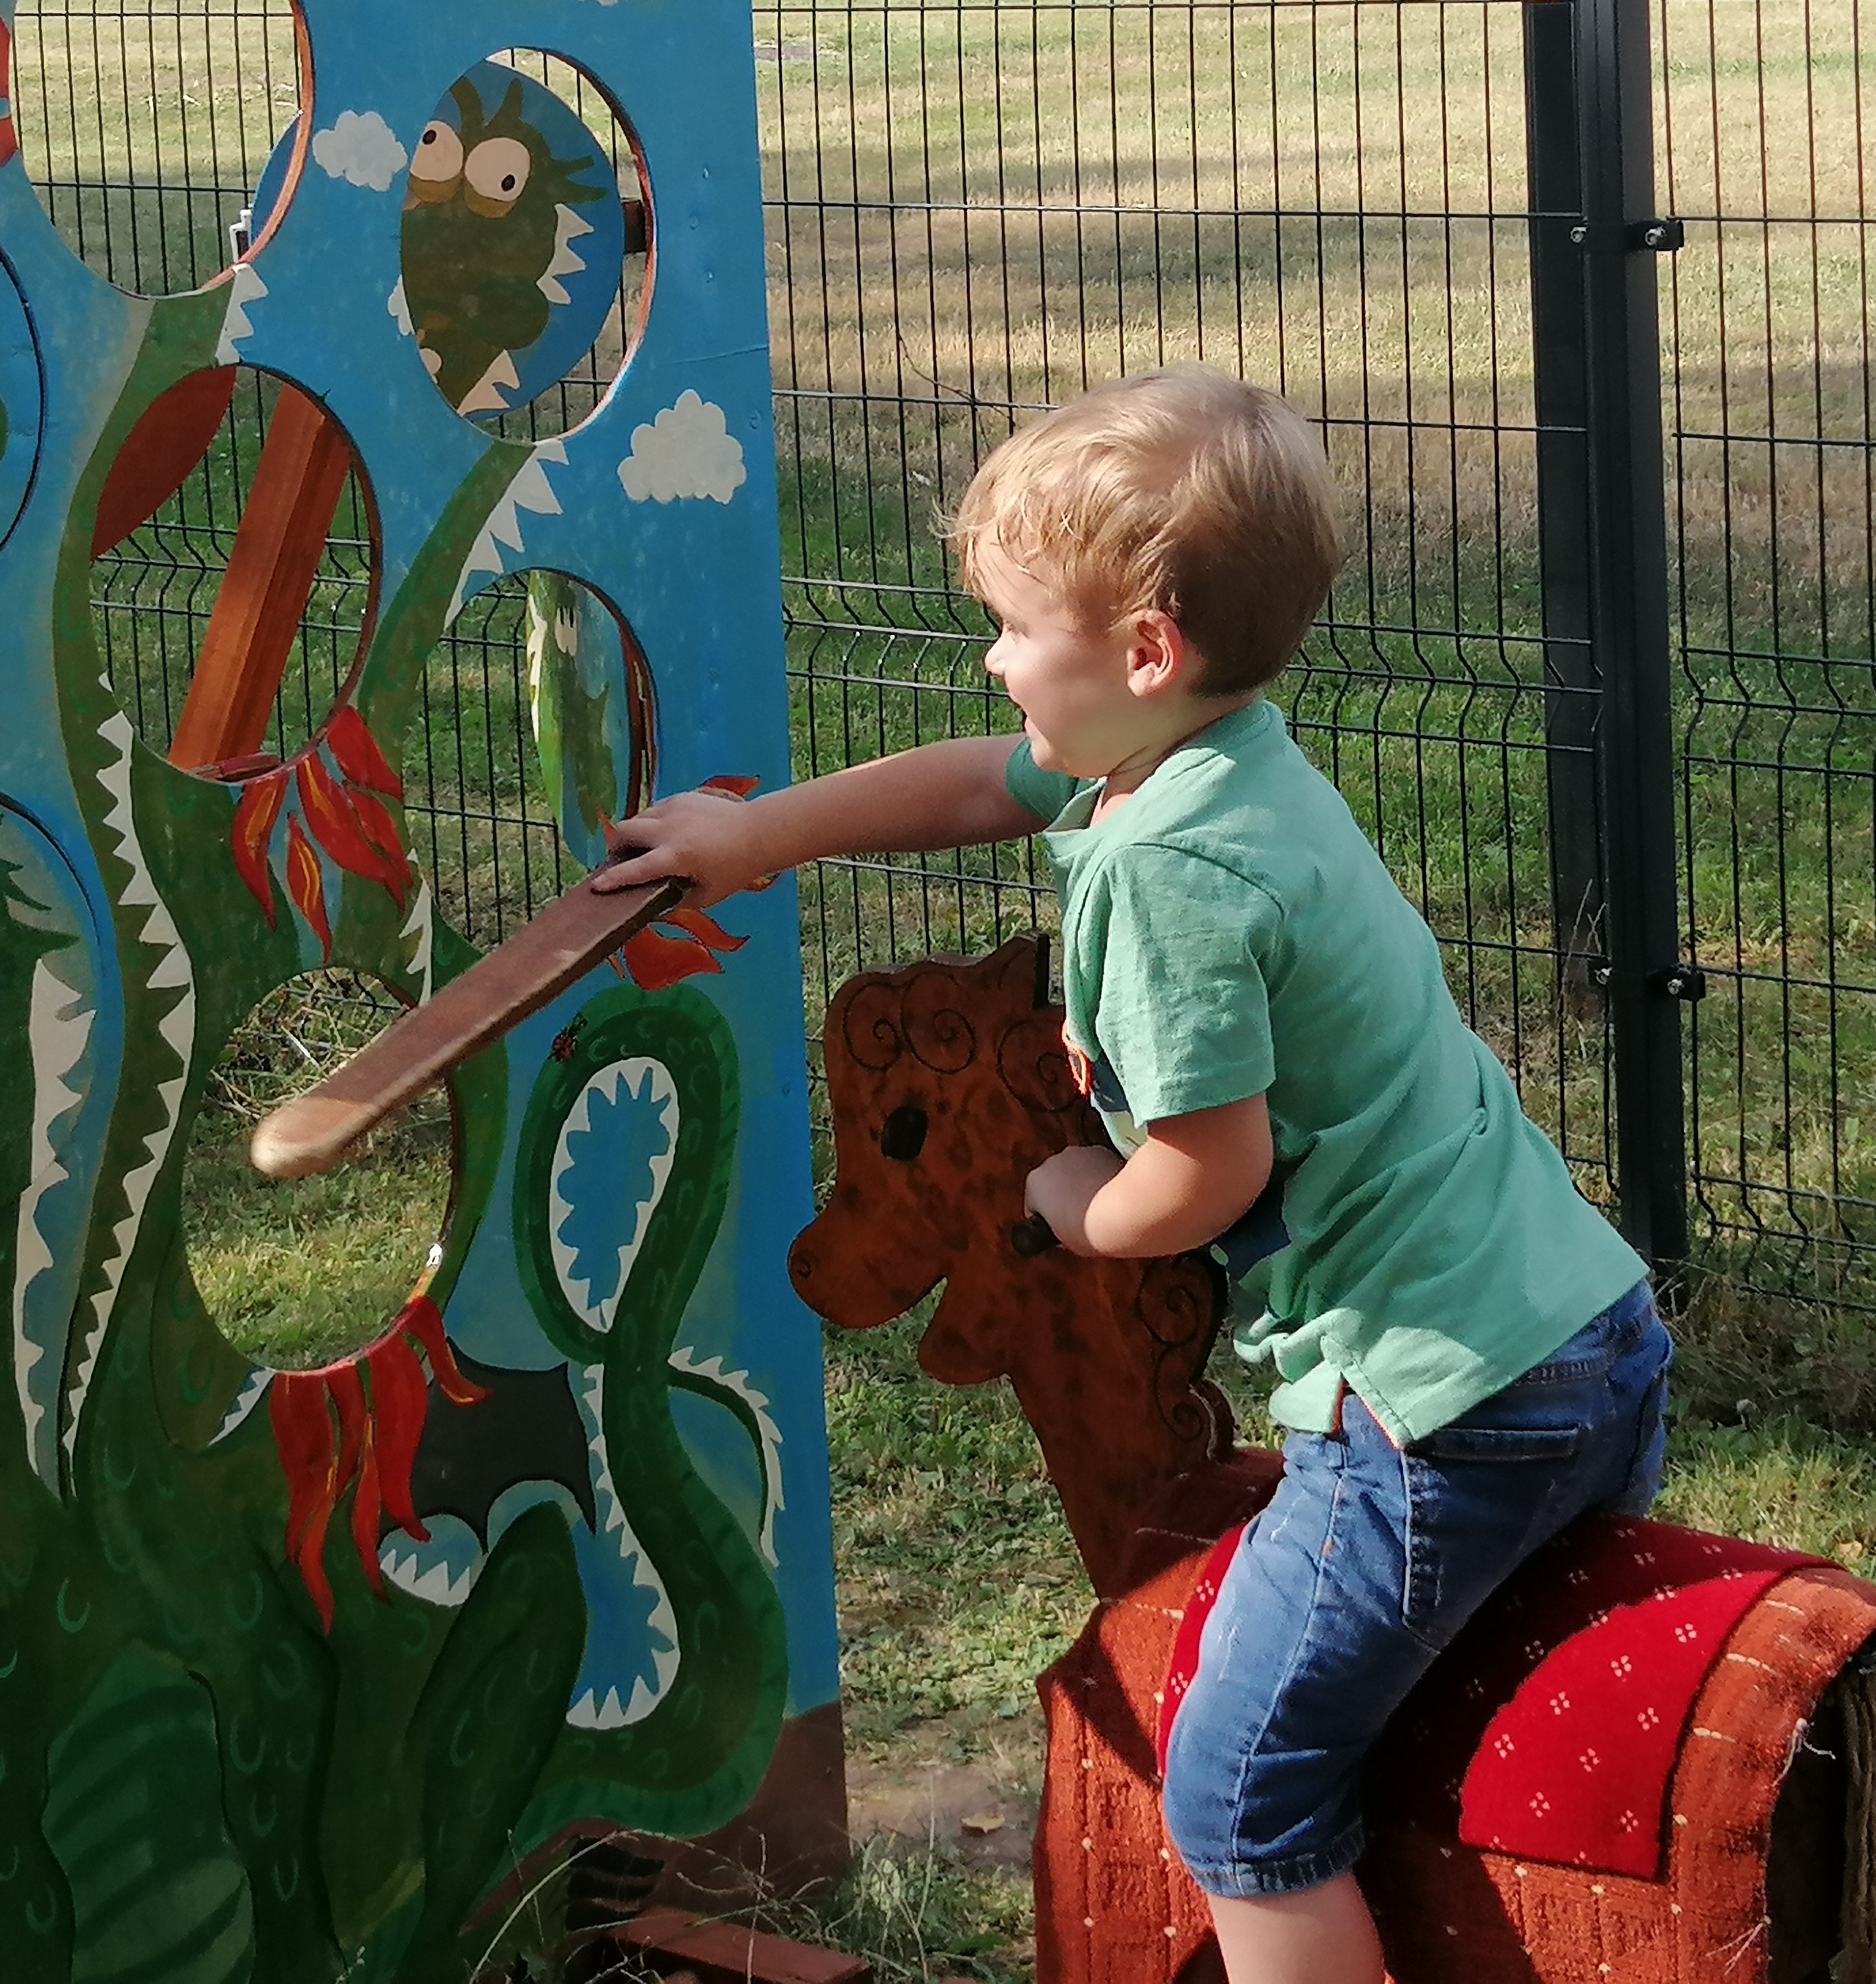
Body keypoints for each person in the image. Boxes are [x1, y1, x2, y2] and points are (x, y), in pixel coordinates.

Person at [597, 362, 1671, 1984]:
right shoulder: (1204, 757)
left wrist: (1062, 1202)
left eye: (1016, 627)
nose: (991, 655)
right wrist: (765, 837)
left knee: (1236, 1796)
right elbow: (980, 776)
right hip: (1581, 1330)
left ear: (1144, 652)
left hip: (1430, 1408)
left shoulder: (1170, 875)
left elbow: (1202, 1176)